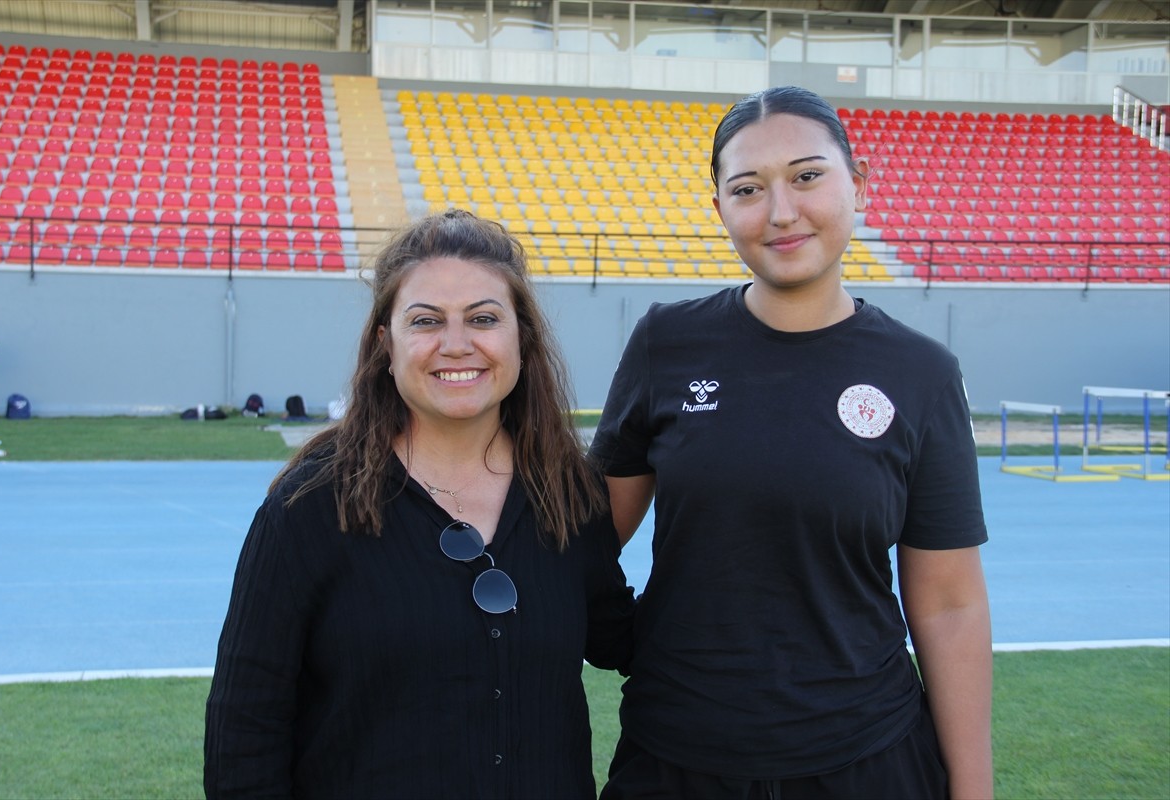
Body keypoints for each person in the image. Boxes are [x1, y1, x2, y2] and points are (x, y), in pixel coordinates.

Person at [590, 86, 993, 800]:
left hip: (867, 755)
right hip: (677, 756)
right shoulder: (665, 343)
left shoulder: (923, 373)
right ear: (719, 209)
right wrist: (619, 634)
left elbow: (950, 602)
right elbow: (585, 539)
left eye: (807, 176)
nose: (780, 212)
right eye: (747, 188)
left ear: (858, 184)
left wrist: (973, 787)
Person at [204, 209, 636, 799]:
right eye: (426, 320)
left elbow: (622, 637)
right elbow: (243, 738)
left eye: (483, 318)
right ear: (386, 343)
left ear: (522, 337)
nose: (456, 345)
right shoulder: (309, 506)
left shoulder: (565, 494)